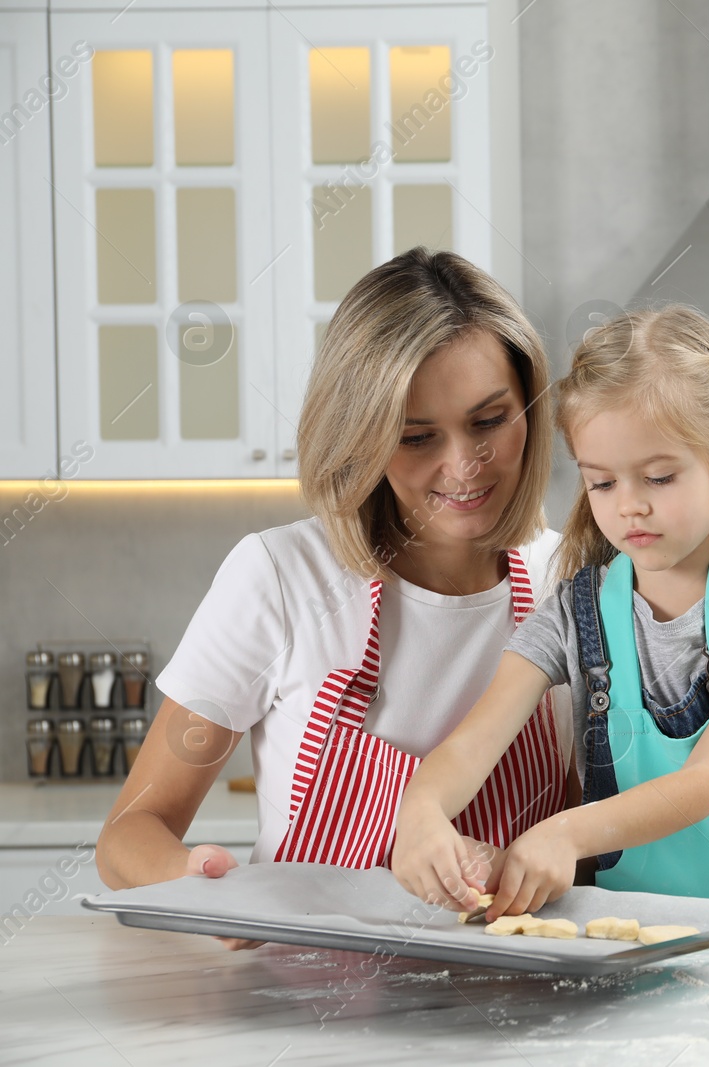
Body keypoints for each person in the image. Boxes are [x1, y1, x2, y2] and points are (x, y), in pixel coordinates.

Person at [96, 249, 575, 945]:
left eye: (489, 420)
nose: (463, 464)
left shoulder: (571, 576)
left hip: (515, 1017)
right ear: (362, 434)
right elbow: (128, 834)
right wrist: (202, 878)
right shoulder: (278, 577)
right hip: (308, 1014)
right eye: (416, 437)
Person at [393, 304, 709, 917]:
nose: (630, 508)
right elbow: (469, 747)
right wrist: (421, 812)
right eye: (603, 483)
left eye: (659, 478)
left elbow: (704, 782)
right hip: (643, 939)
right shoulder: (574, 612)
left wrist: (566, 832)